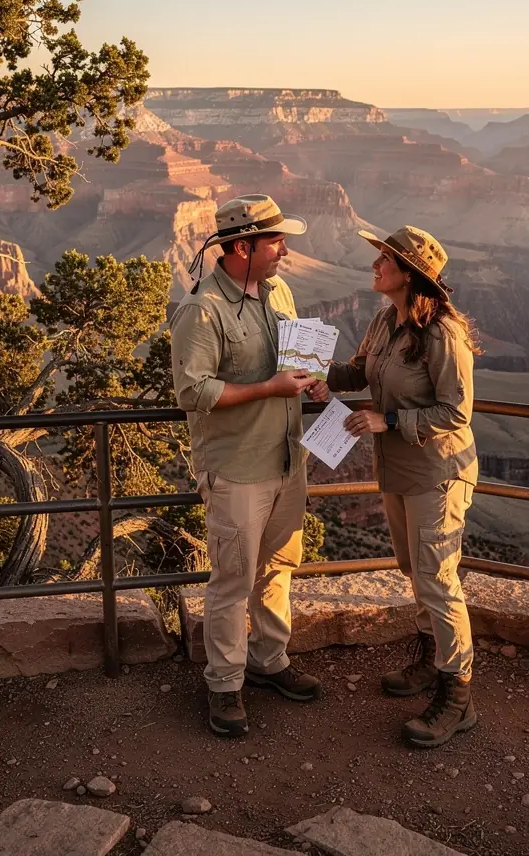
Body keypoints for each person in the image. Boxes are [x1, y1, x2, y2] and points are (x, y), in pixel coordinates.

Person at [170, 194, 324, 737]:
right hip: (236, 467)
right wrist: (269, 388)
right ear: (242, 247)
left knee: (278, 568)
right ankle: (225, 684)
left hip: (288, 457)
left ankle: (269, 660)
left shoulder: (279, 289)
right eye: (276, 240)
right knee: (232, 580)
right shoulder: (201, 309)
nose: (285, 250)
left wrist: (311, 380)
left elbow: (295, 361)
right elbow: (193, 390)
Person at [321, 225, 480, 748]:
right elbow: (361, 371)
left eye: (383, 260)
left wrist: (388, 422)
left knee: (437, 578)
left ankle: (457, 698)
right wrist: (322, 377)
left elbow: (456, 411)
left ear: (408, 273)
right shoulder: (387, 319)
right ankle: (431, 659)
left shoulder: (443, 335)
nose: (374, 266)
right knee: (414, 568)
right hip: (398, 470)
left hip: (437, 472)